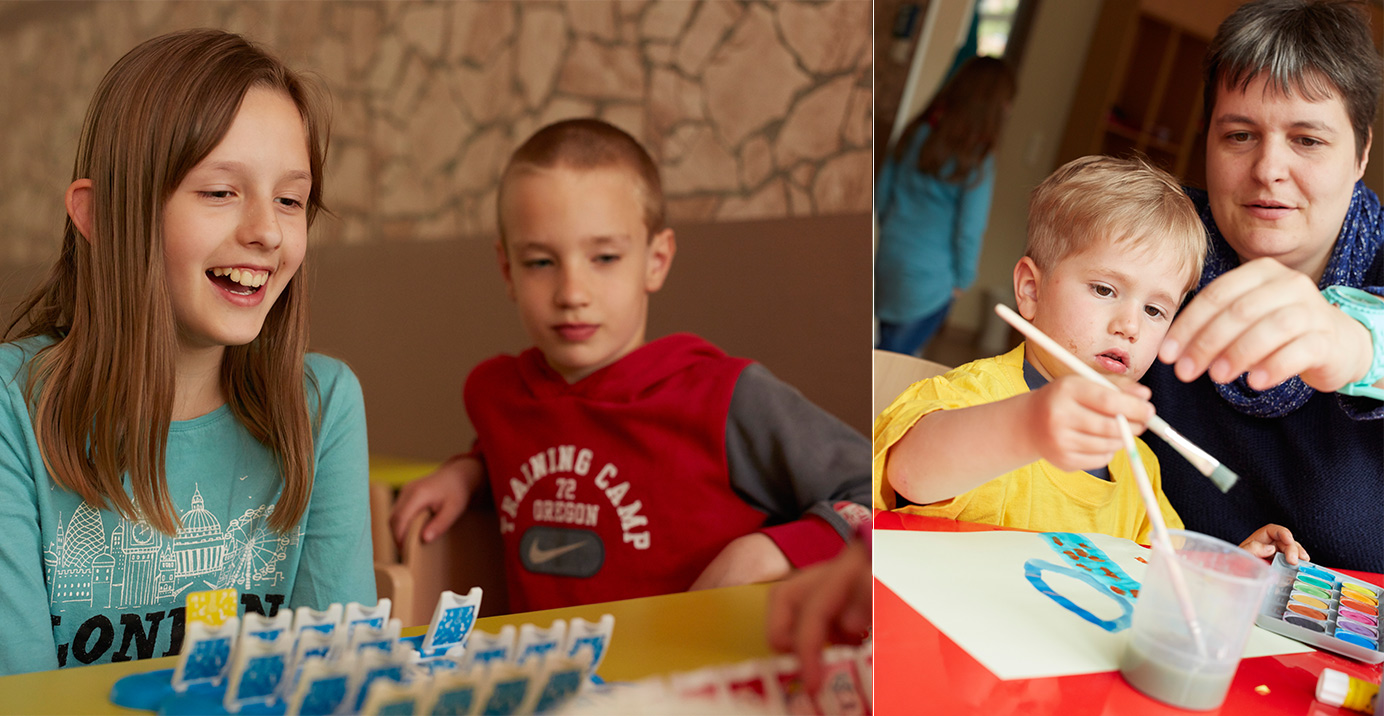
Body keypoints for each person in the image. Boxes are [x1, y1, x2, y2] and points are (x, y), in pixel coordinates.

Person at [0, 29, 374, 676]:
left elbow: (338, 678)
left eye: (290, 200)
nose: (265, 231)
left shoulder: (324, 405)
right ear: (99, 216)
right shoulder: (12, 405)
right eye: (220, 191)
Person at [389, 118, 871, 613]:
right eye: (540, 263)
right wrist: (470, 471)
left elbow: (870, 489)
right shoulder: (497, 398)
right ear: (507, 270)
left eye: (604, 257)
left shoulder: (728, 397)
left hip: (691, 682)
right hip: (557, 682)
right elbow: (539, 447)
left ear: (656, 260)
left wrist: (769, 551)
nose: (572, 293)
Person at [875, 155, 1308, 559]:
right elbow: (911, 474)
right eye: (1105, 290)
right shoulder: (969, 397)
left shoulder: (1136, 463)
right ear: (1031, 290)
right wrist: (1029, 424)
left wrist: (1232, 566)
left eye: (1154, 310)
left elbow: (1159, 567)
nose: (1130, 325)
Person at [1144, 0, 1384, 572]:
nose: (1268, 168)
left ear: (1361, 153)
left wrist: (1357, 346)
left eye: (1307, 140)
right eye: (1240, 135)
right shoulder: (1156, 245)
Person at [874, 56, 1016, 357]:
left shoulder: (915, 133)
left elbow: (881, 196)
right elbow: (970, 227)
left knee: (883, 351)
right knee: (895, 362)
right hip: (930, 278)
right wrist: (963, 279)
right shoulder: (978, 157)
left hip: (889, 261)